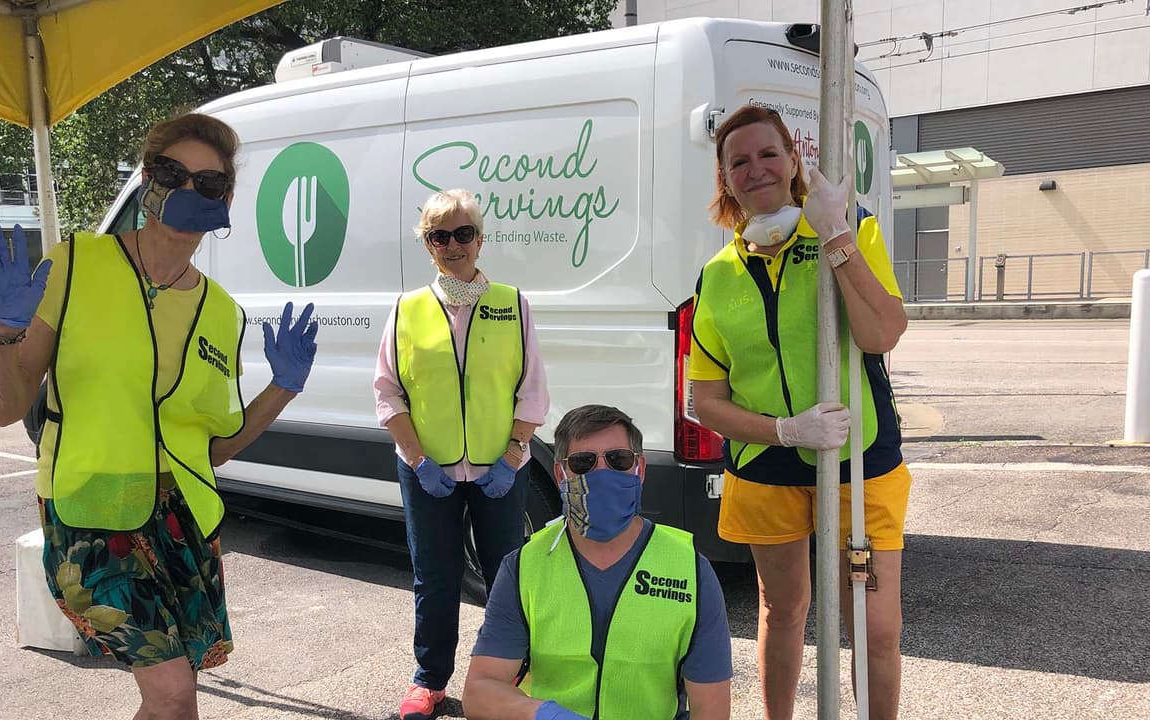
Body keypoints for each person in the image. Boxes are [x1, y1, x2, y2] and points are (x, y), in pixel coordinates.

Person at [0, 113, 319, 720]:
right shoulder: (77, 263)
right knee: (175, 694)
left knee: (170, 697)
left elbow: (212, 447)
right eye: (170, 174)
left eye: (208, 184)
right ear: (146, 177)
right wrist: (5, 330)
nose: (188, 192)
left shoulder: (221, 312)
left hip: (182, 522)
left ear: (226, 199)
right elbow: (5, 408)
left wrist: (283, 388)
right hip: (90, 518)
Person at [688, 105, 910, 720]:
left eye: (767, 154)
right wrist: (785, 431)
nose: (755, 168)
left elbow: (883, 333)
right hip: (765, 467)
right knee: (781, 611)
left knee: (875, 626)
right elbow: (706, 402)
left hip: (858, 458)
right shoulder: (716, 276)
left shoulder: (850, 229)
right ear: (725, 181)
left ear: (793, 162)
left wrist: (835, 233)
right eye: (738, 162)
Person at [374, 188, 549, 720]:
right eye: (440, 235)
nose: (453, 244)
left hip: (501, 467)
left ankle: (515, 671)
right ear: (427, 244)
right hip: (428, 471)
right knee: (435, 575)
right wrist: (419, 460)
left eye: (463, 233)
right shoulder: (407, 310)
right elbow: (388, 391)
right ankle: (429, 680)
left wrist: (515, 452)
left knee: (505, 572)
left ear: (480, 237)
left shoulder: (512, 303)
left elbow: (532, 388)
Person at [464, 404, 732, 720]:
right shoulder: (523, 568)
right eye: (583, 463)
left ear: (640, 470)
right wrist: (545, 714)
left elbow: (712, 710)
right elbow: (479, 691)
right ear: (561, 474)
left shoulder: (691, 570)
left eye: (619, 460)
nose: (601, 473)